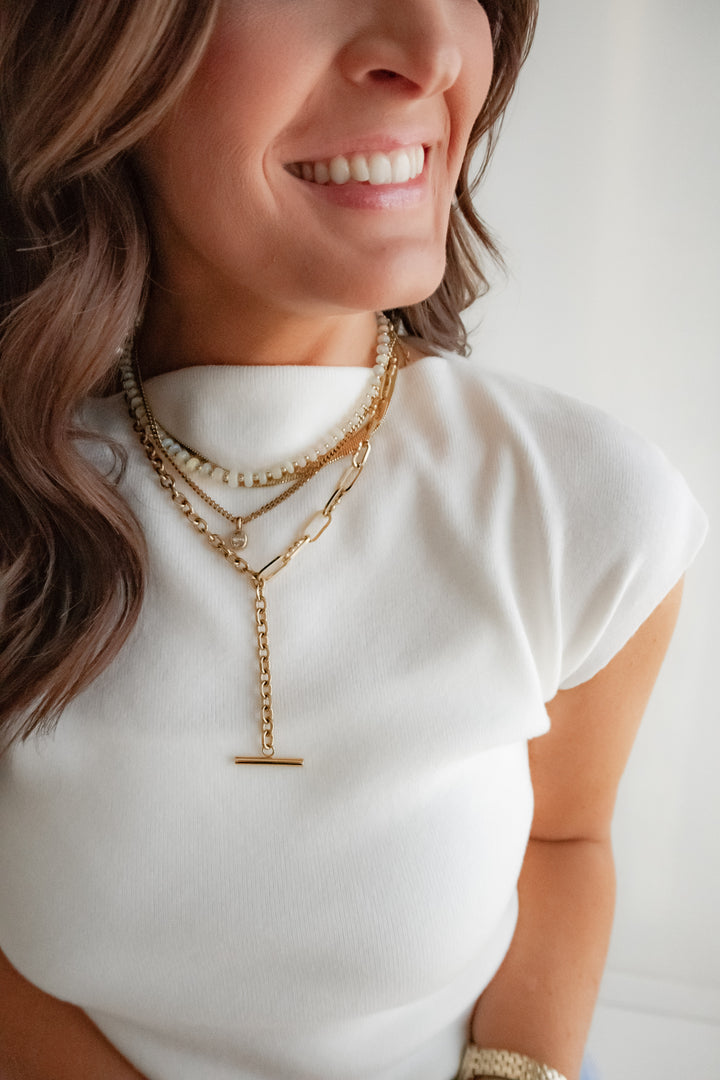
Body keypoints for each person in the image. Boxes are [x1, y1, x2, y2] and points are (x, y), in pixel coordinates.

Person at [0, 2, 707, 1080]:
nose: (431, 53)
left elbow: (563, 842)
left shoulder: (587, 509)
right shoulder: (26, 493)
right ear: (101, 45)